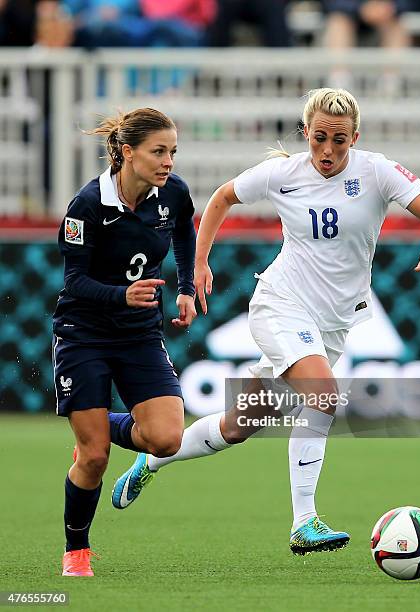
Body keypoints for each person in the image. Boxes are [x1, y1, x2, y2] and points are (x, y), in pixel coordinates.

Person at [111, 88, 420, 555]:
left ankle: (150, 462)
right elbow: (221, 198)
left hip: (332, 324)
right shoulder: (283, 174)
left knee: (238, 426)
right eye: (319, 139)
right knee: (324, 396)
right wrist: (198, 263)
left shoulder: (376, 171)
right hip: (281, 304)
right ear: (305, 134)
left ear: (355, 137)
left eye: (339, 140)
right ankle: (304, 520)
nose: (328, 151)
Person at [53, 107, 196, 577]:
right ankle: (77, 552)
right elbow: (74, 281)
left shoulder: (172, 194)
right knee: (93, 458)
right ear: (127, 152)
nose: (168, 161)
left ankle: (101, 424)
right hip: (84, 334)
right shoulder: (87, 206)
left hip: (138, 335)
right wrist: (122, 294)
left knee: (166, 439)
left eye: (173, 151)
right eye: (159, 151)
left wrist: (186, 288)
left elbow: (184, 233)